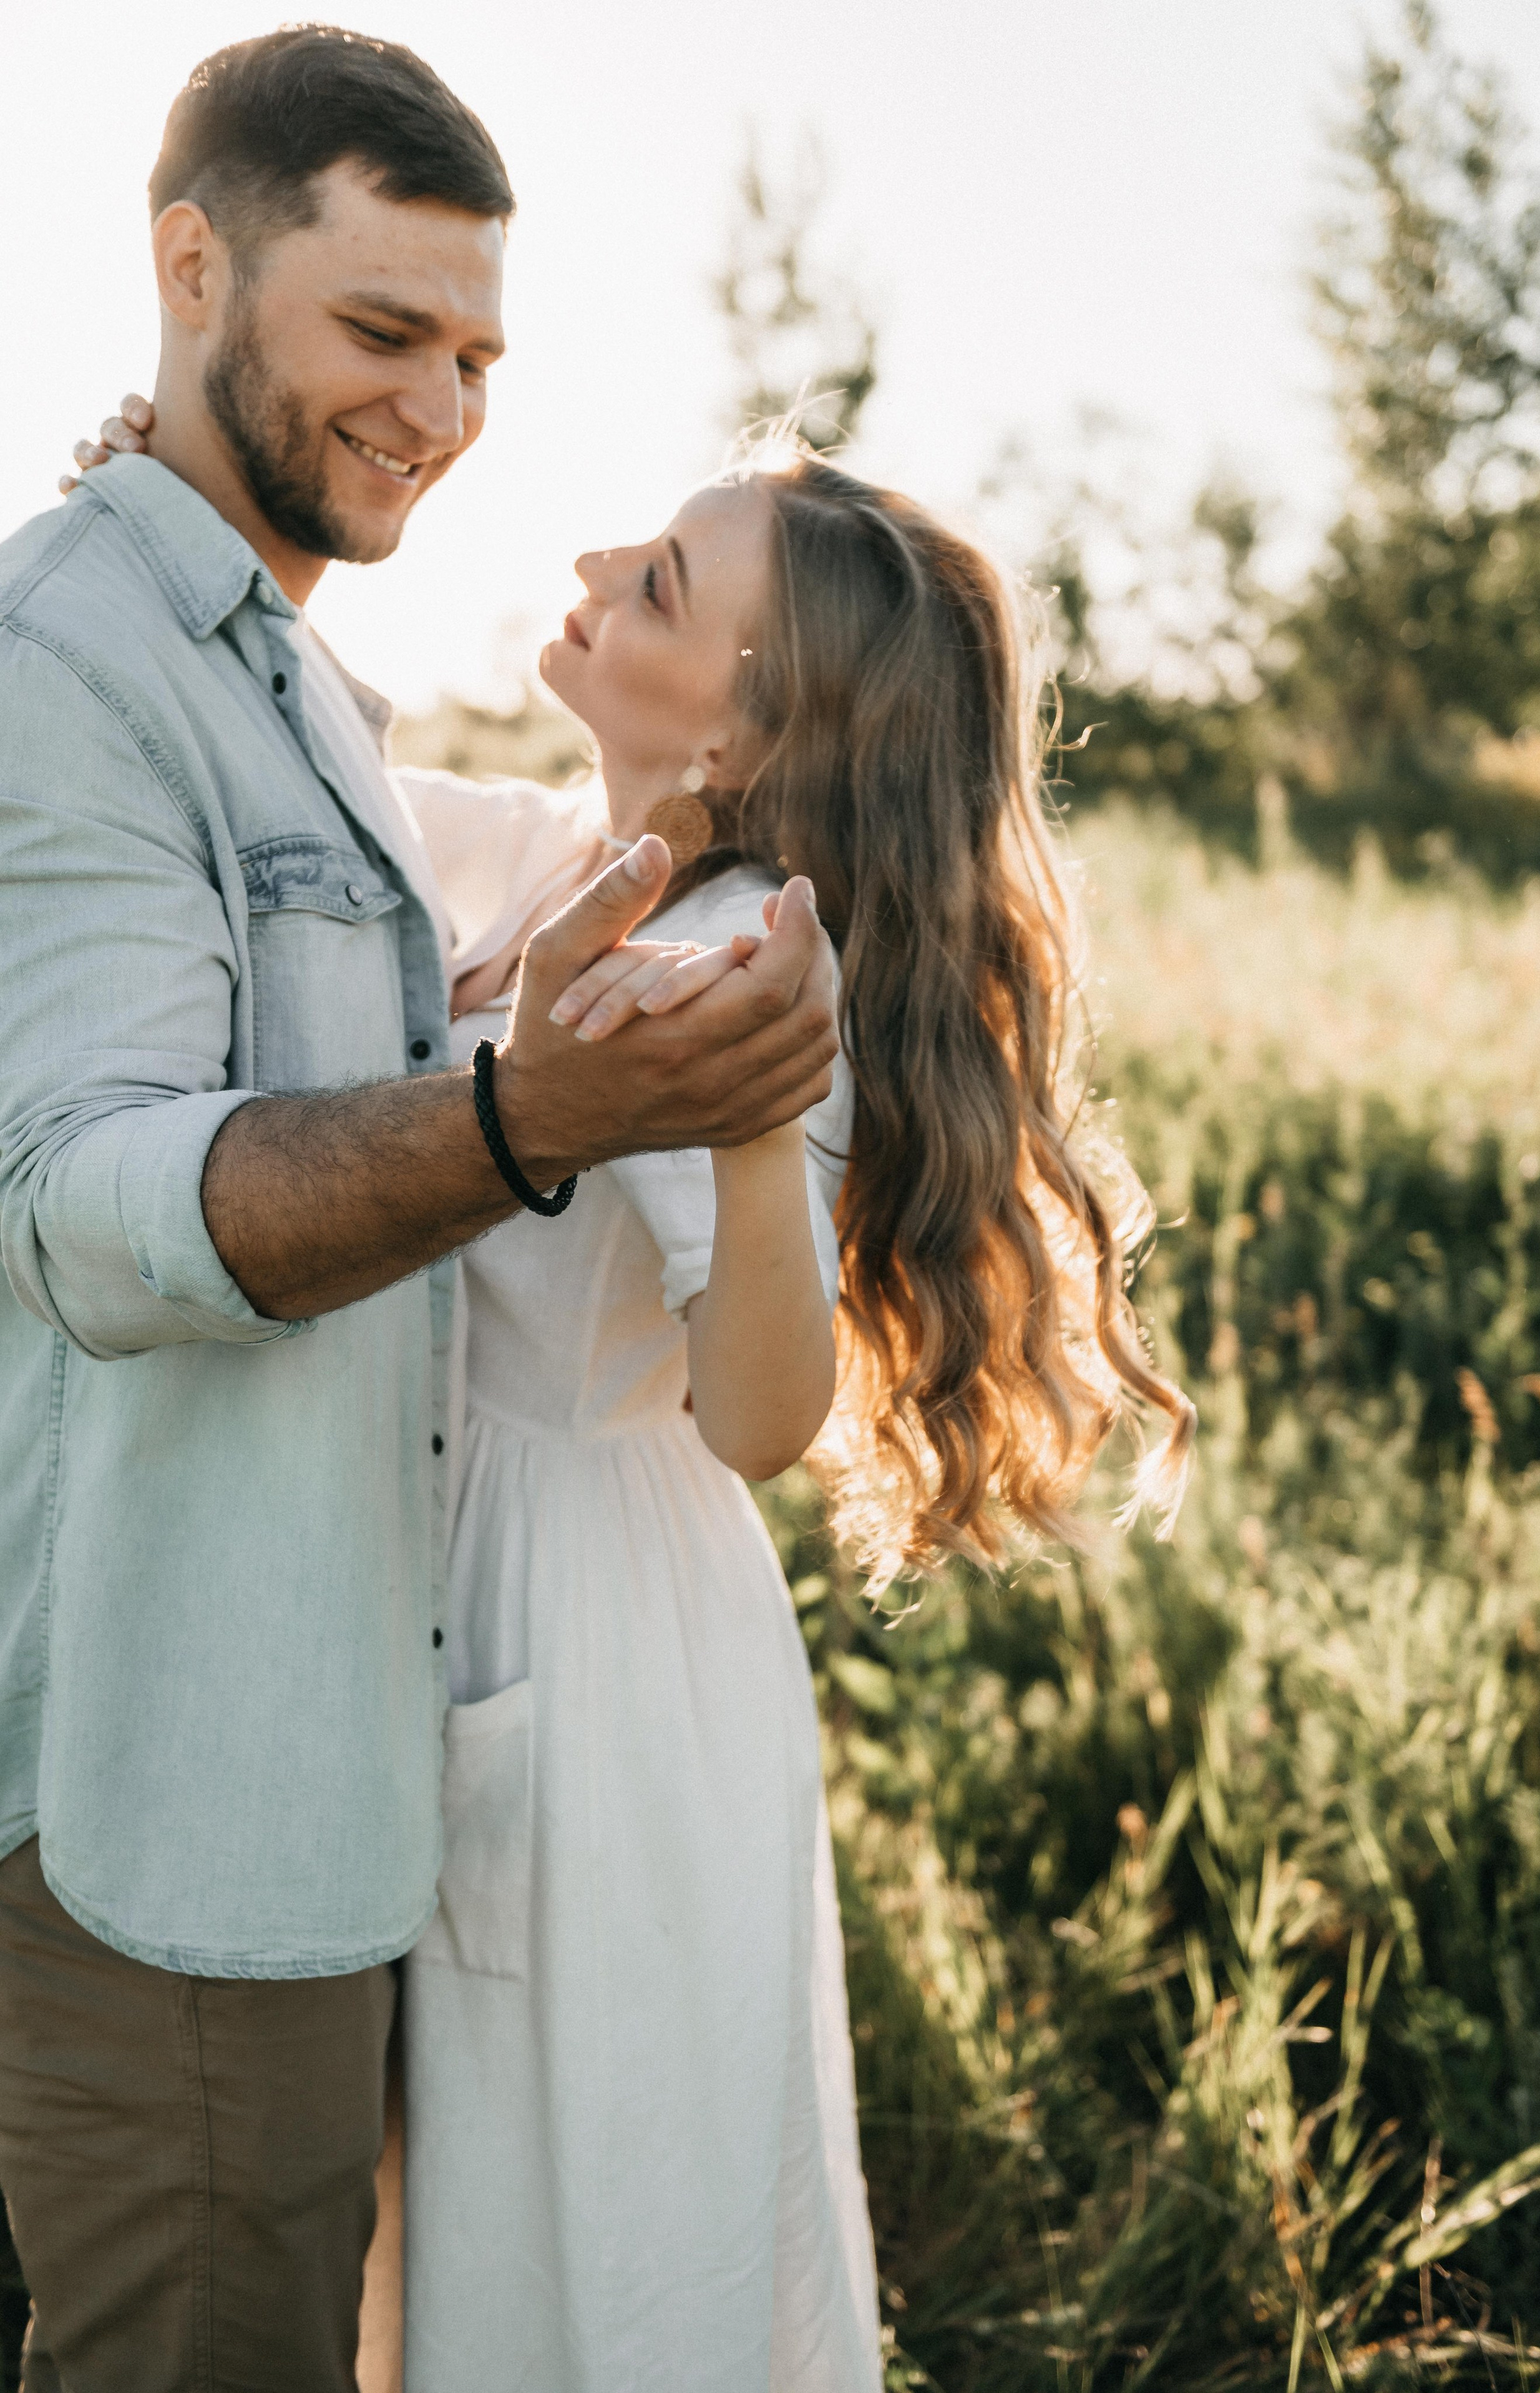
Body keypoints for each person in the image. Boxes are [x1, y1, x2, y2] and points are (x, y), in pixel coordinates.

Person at [84, 402, 1195, 2386]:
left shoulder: (722, 964)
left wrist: (753, 1134)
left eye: (663, 581)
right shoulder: (567, 861)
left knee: (576, 2214)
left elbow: (760, 1415)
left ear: (747, 739)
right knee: (460, 2205)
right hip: (471, 1578)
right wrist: (183, 547)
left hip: (582, 1636)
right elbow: (311, 791)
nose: (597, 569)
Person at [0, 30, 836, 2393]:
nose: (446, 411)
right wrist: (520, 1116)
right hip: (182, 1772)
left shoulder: (282, 683)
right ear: (190, 267)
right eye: (386, 331)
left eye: (480, 355)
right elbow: (81, 1202)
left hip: (373, 1736)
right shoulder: (82, 663)